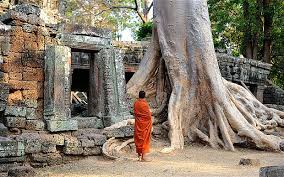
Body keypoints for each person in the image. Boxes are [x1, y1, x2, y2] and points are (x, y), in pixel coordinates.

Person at [133, 91, 152, 162]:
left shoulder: (136, 103)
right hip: (144, 125)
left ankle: (139, 156)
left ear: (139, 95)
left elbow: (135, 113)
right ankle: (143, 157)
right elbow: (148, 116)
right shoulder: (145, 104)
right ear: (145, 96)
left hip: (138, 124)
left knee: (138, 138)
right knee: (144, 139)